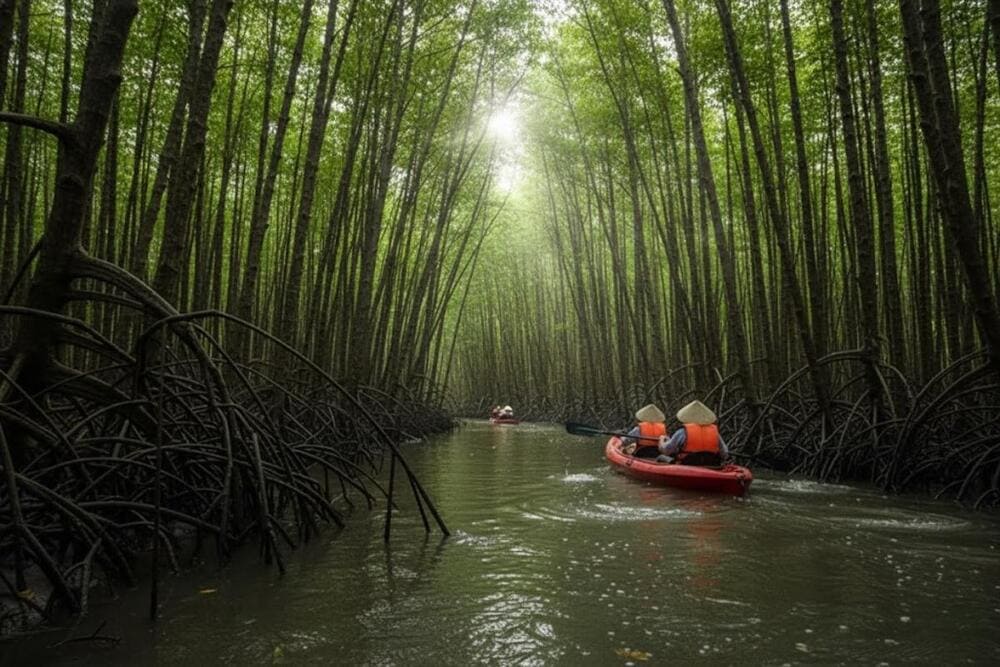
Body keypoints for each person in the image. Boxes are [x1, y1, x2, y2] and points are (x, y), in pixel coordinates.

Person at [656, 400, 728, 466]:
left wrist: (661, 441)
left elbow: (667, 451)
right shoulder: (715, 433)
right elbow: (725, 454)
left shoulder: (682, 432)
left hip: (688, 464)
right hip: (711, 464)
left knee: (661, 457)